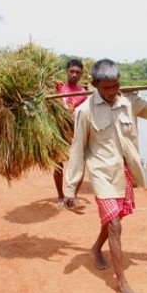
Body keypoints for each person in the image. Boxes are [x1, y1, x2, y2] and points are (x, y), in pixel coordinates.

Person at [63, 59, 147, 293]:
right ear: (95, 84)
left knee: (114, 218)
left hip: (124, 171)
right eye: (106, 88)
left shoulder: (130, 102)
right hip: (101, 174)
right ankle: (122, 283)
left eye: (116, 86)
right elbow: (76, 151)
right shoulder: (84, 111)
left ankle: (96, 247)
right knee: (115, 225)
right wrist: (70, 189)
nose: (112, 92)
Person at [53, 59, 89, 207]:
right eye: (72, 71)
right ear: (66, 71)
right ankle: (60, 195)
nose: (74, 74)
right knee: (58, 165)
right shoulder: (58, 88)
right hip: (59, 130)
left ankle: (72, 196)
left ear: (81, 74)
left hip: (76, 132)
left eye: (78, 72)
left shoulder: (84, 92)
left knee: (78, 164)